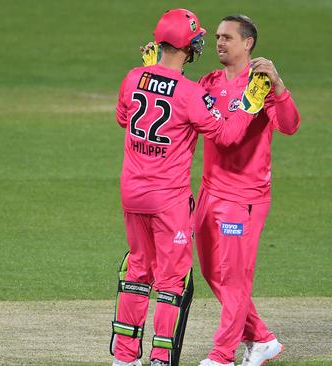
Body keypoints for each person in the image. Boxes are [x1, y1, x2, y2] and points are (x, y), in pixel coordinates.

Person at [109, 9, 272, 366]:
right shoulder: (190, 93)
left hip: (131, 195)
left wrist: (151, 72)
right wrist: (250, 104)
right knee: (171, 281)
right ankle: (160, 359)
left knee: (137, 269)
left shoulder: (133, 76)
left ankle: (123, 358)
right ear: (188, 46)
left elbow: (124, 118)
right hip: (168, 201)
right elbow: (227, 135)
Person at [193, 15, 301, 366]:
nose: (219, 43)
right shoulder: (208, 81)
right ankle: (263, 339)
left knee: (235, 279)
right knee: (213, 273)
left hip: (244, 197)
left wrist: (280, 85)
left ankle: (222, 355)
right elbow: (183, 108)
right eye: (218, 38)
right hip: (210, 191)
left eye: (227, 37)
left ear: (247, 43)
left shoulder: (261, 85)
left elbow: (289, 126)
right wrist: (159, 74)